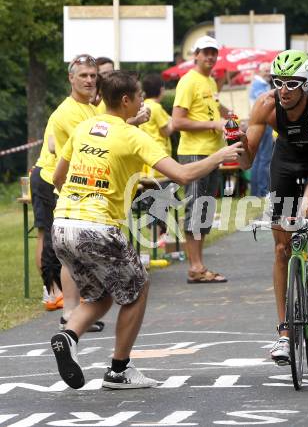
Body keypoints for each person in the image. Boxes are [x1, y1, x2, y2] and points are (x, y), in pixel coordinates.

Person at [50, 70, 243, 390]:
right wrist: (219, 155)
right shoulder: (134, 136)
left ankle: (67, 336)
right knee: (137, 288)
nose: (144, 102)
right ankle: (118, 370)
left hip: (63, 226)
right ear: (125, 100)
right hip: (97, 227)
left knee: (99, 295)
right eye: (139, 96)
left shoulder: (84, 127)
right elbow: (182, 175)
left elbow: (58, 177)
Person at [238, 50, 308, 364]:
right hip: (286, 161)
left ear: (306, 84)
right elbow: (247, 160)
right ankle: (284, 335)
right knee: (280, 249)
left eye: (292, 83)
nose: (284, 90)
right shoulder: (266, 105)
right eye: (278, 83)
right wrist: (235, 146)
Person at [50, 54, 105, 332]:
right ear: (71, 78)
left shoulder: (91, 108)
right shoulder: (68, 111)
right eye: (83, 75)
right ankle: (70, 312)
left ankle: (75, 311)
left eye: (93, 76)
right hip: (67, 186)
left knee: (78, 253)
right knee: (72, 254)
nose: (89, 80)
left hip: (85, 186)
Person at [172, 35, 230, 284]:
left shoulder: (209, 81)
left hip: (212, 152)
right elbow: (178, 121)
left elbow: (208, 112)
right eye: (205, 52)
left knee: (205, 208)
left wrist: (226, 116)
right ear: (195, 54)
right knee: (195, 207)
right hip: (194, 153)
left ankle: (199, 265)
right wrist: (215, 123)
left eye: (213, 53)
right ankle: (195, 267)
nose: (210, 57)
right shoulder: (188, 81)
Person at [30, 117, 63, 310]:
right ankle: (50, 289)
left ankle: (56, 289)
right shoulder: (64, 112)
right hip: (46, 177)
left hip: (56, 177)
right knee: (47, 233)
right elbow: (52, 144)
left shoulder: (90, 109)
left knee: (53, 234)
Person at [139, 73, 174, 244]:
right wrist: (174, 122)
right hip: (159, 156)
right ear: (161, 90)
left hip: (145, 159)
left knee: (151, 194)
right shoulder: (157, 108)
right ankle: (160, 232)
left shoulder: (142, 105)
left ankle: (155, 230)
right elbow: (165, 130)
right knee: (162, 196)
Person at [248, 62, 273, 197]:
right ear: (259, 71)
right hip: (263, 123)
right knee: (264, 159)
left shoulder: (261, 84)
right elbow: (266, 105)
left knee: (258, 159)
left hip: (260, 123)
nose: (268, 73)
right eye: (265, 70)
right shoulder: (259, 85)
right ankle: (262, 191)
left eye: (269, 70)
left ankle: (256, 192)